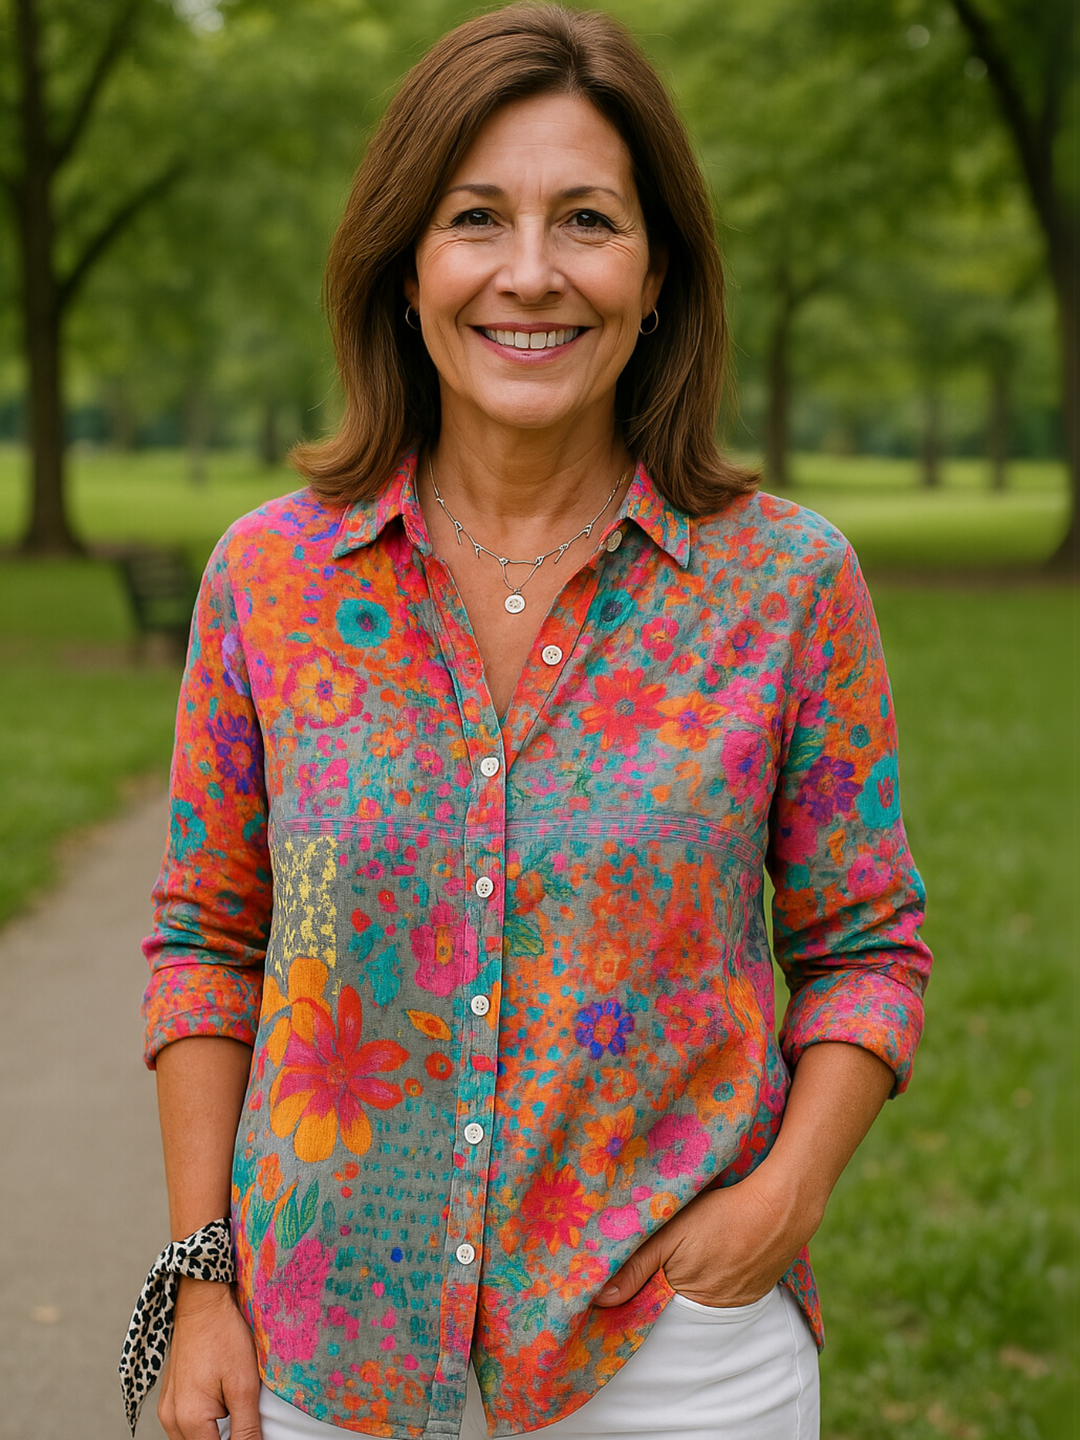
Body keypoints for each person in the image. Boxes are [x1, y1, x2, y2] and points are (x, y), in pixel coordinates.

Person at [123, 5, 932, 1438]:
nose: (531, 273)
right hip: (323, 1361)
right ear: (408, 265)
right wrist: (202, 1285)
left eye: (588, 221)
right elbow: (206, 936)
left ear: (657, 270)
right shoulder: (270, 580)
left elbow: (866, 946)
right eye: (477, 217)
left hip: (676, 1358)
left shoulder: (787, 585)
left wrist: (785, 1200)